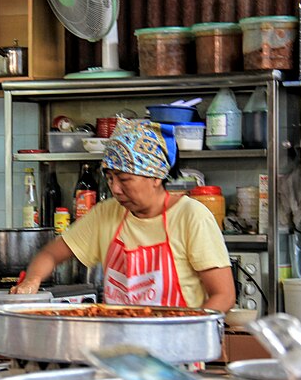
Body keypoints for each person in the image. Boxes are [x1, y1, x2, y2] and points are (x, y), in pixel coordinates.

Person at [12, 118, 235, 312]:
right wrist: (32, 280)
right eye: (110, 178)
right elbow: (50, 255)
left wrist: (184, 330)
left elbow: (223, 296)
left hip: (175, 352)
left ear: (155, 177)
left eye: (124, 179)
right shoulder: (106, 214)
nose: (115, 189)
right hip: (118, 351)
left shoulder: (191, 216)